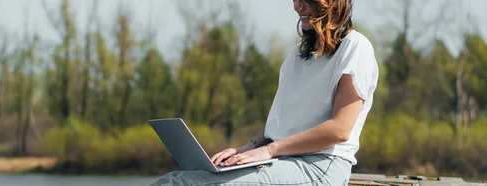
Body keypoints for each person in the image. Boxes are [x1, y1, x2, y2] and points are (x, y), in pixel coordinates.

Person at [151, 0, 378, 185]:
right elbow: (280, 124)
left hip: (320, 166)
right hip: (281, 161)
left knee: (182, 184)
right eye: (296, 0)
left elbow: (339, 130)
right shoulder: (297, 56)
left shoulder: (356, 48)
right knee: (173, 179)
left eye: (305, 0)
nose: (297, 6)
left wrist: (269, 151)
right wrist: (247, 149)